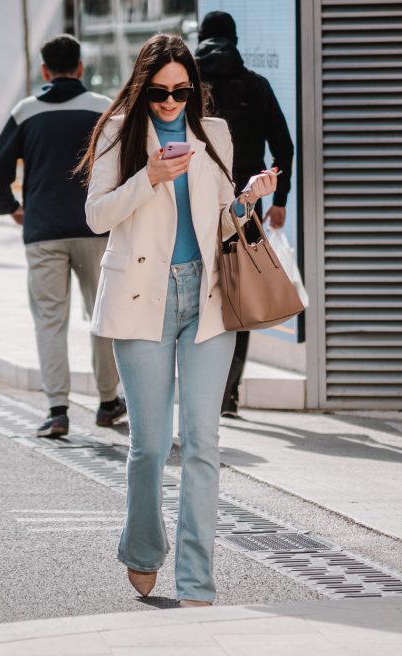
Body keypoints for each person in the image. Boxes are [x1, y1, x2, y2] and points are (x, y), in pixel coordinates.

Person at [80, 33, 277, 606]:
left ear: (194, 89)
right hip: (142, 299)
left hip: (207, 297)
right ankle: (142, 551)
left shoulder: (214, 134)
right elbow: (96, 217)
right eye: (161, 92)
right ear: (144, 87)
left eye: (182, 92)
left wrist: (247, 200)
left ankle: (197, 580)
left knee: (202, 442)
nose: (171, 103)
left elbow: (221, 220)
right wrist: (150, 179)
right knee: (148, 446)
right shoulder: (119, 132)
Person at [0, 35, 125, 438]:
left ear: (45, 71)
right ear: (80, 68)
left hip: (43, 233)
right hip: (96, 230)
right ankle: (107, 402)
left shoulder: (25, 112)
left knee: (50, 321)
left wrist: (11, 208)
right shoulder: (104, 109)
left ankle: (57, 410)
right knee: (103, 317)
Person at [194, 11, 295, 419]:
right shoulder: (256, 85)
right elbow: (283, 148)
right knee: (241, 295)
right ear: (235, 39)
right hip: (246, 210)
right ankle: (227, 396)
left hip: (197, 207)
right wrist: (279, 199)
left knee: (196, 292)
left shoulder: (188, 88)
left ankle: (200, 388)